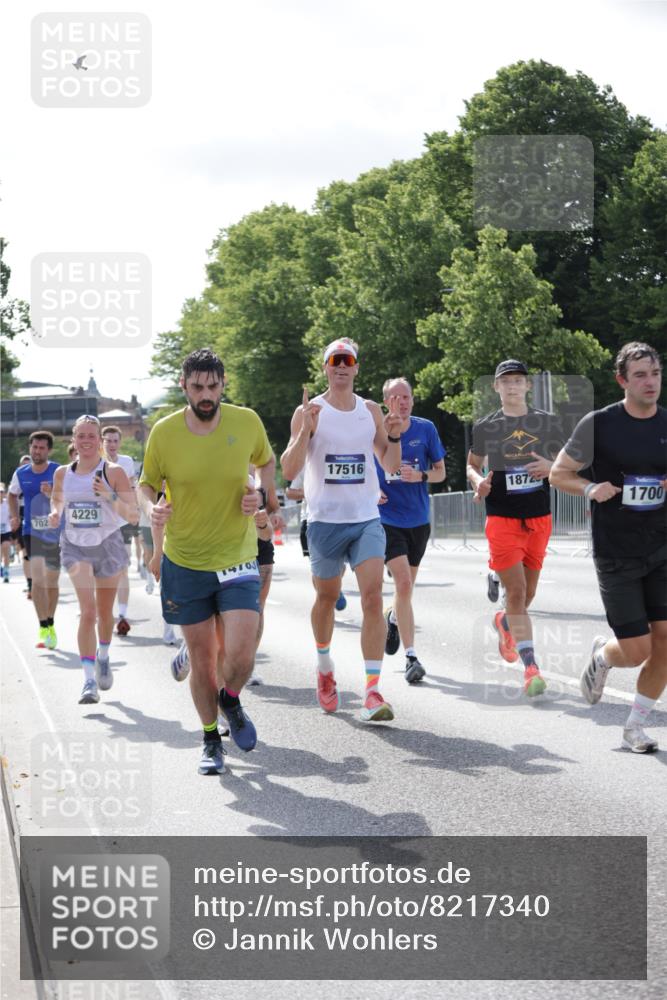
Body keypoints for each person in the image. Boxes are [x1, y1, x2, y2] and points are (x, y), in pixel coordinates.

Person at [139, 348, 275, 776]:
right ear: (184, 385)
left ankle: (230, 699)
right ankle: (211, 738)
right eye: (197, 387)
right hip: (185, 561)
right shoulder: (164, 433)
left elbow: (266, 462)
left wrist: (260, 495)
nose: (206, 395)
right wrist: (151, 510)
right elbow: (146, 485)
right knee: (202, 659)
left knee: (241, 653)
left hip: (237, 556)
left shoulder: (246, 421)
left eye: (213, 386)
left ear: (223, 384)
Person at [550, 341, 667, 753]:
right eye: (640, 375)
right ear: (622, 381)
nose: (650, 382)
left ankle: (635, 727)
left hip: (661, 547)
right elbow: (558, 473)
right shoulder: (598, 424)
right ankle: (603, 656)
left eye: (655, 373)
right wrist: (590, 487)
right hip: (616, 551)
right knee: (636, 651)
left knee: (665, 642)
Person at [280, 338, 403, 722]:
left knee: (372, 598)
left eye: (348, 360)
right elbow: (288, 469)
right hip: (324, 522)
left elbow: (391, 465)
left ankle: (372, 691)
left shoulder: (370, 411)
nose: (341, 366)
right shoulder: (309, 411)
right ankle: (324, 666)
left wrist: (394, 436)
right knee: (327, 598)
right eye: (335, 361)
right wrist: (305, 431)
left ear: (356, 368)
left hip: (365, 518)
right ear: (326, 368)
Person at [466, 360, 564, 697]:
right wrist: (478, 482)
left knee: (527, 594)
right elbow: (472, 465)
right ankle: (531, 668)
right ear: (496, 387)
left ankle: (505, 621)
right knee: (518, 592)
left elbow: (567, 462)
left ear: (527, 386)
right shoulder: (486, 426)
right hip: (501, 518)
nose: (512, 386)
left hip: (539, 517)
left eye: (518, 380)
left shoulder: (547, 423)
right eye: (505, 381)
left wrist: (551, 466)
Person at [48, 416, 138, 703]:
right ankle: (88, 681)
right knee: (87, 612)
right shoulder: (62, 473)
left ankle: (104, 655)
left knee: (104, 613)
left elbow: (133, 515)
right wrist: (55, 513)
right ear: (73, 440)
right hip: (75, 545)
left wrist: (110, 496)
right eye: (81, 436)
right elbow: (58, 499)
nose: (86, 440)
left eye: (91, 436)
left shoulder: (113, 472)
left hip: (108, 544)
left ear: (99, 440)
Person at [375, 377, 446, 683]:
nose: (401, 403)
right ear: (385, 402)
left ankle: (393, 616)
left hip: (418, 520)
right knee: (403, 584)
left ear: (413, 400)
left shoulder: (425, 429)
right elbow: (363, 468)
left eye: (406, 397)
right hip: (386, 519)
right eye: (395, 397)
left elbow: (441, 473)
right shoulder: (375, 430)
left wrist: (421, 476)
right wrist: (371, 491)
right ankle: (411, 657)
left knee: (406, 589)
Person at [8, 432, 61, 648]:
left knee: (52, 581)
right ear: (30, 448)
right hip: (32, 531)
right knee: (38, 581)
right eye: (34, 447)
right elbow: (12, 494)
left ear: (49, 450)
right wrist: (14, 516)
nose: (37, 451)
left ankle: (51, 620)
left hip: (55, 531)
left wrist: (52, 494)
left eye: (41, 448)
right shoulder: (21, 473)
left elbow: (67, 497)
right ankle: (44, 626)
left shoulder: (58, 471)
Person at [287, 468, 347, 610]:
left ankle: (333, 589)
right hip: (311, 521)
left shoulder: (341, 460)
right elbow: (290, 492)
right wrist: (311, 491)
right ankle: (324, 598)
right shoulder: (305, 465)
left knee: (341, 565)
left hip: (339, 519)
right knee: (318, 569)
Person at [101, 426, 138, 636]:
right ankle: (103, 611)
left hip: (122, 522)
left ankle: (122, 615)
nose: (112, 445)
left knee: (122, 568)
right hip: (101, 525)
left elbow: (131, 488)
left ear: (120, 443)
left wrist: (134, 509)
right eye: (108, 441)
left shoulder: (127, 462)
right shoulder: (95, 462)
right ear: (102, 442)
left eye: (115, 441)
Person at [1, 484, 11, 582]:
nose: (0, 494)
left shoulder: (7, 504)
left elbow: (12, 515)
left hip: (6, 530)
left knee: (6, 549)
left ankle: (6, 572)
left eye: (2, 492)